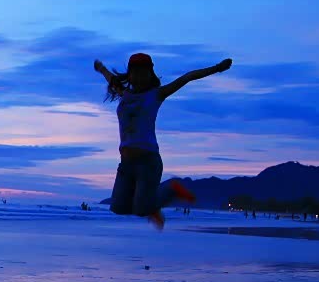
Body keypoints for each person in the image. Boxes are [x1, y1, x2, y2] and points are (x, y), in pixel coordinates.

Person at [95, 52, 232, 230]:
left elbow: (187, 77)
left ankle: (172, 190)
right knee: (118, 207)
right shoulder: (124, 93)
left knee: (142, 208)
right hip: (126, 163)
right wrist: (101, 68)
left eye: (143, 72)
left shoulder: (156, 94)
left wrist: (217, 68)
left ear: (150, 74)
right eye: (135, 72)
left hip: (148, 162)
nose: (138, 76)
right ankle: (152, 207)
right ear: (130, 74)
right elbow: (110, 78)